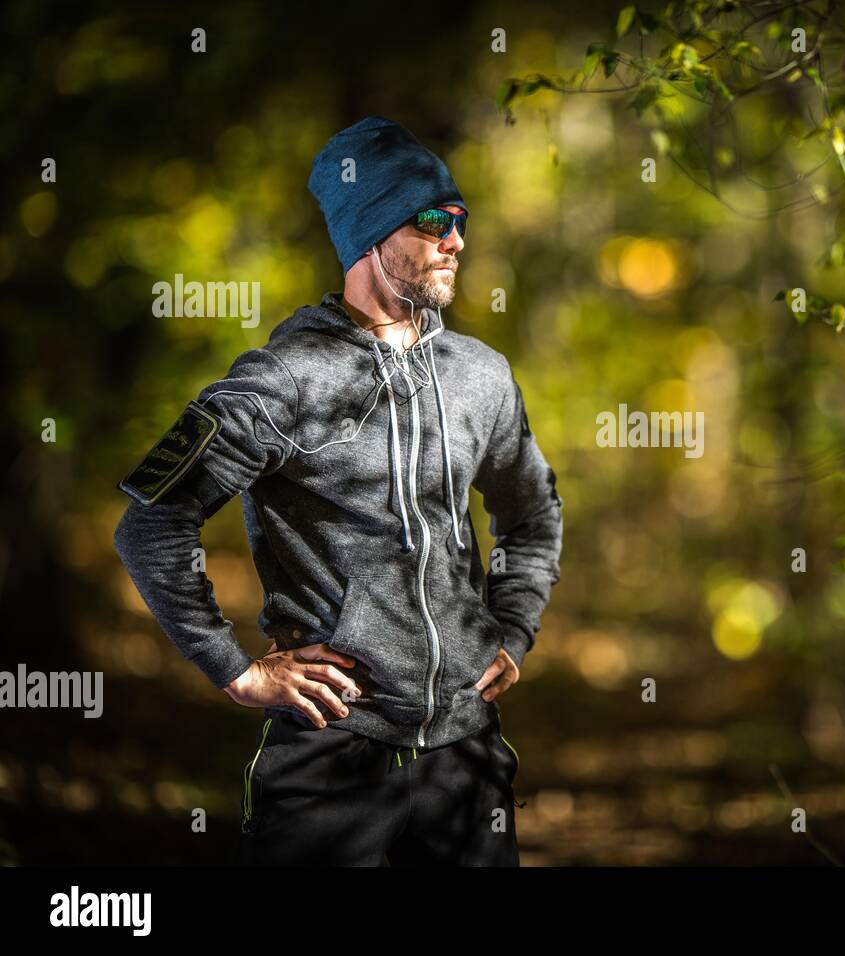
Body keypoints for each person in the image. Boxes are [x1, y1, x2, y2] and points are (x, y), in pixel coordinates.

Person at [113, 116, 563, 866]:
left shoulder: (480, 374)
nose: (455, 239)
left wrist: (514, 626)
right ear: (370, 237)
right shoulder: (287, 379)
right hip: (330, 766)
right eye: (430, 220)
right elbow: (150, 524)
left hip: (468, 764)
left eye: (460, 220)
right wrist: (235, 670)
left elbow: (533, 511)